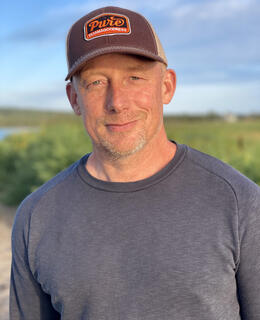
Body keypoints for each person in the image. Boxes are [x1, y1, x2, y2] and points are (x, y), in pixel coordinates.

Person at [10, 6, 260, 320]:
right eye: (96, 83)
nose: (118, 102)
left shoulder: (240, 202)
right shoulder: (36, 217)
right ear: (74, 99)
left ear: (167, 86)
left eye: (134, 77)